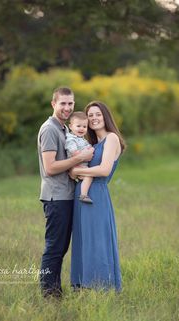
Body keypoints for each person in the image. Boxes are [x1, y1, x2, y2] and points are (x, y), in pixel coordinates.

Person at [37, 87, 94, 298]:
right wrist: (80, 159)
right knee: (54, 248)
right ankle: (49, 294)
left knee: (60, 248)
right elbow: (50, 167)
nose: (67, 107)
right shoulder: (50, 129)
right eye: (63, 103)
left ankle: (54, 291)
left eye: (71, 103)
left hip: (65, 196)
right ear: (53, 104)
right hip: (56, 197)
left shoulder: (63, 129)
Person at [70, 101, 126, 291]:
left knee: (97, 240)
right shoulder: (91, 144)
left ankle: (102, 286)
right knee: (84, 239)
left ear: (105, 116)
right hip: (81, 195)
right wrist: (75, 170)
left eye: (97, 114)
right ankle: (82, 285)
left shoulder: (111, 139)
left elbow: (103, 170)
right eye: (90, 115)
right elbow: (72, 172)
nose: (94, 118)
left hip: (97, 195)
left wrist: (77, 171)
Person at [65, 111, 93, 204]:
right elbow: (75, 153)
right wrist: (86, 155)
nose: (81, 129)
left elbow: (88, 147)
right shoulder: (70, 139)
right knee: (89, 176)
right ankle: (83, 195)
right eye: (78, 126)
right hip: (76, 165)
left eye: (84, 126)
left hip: (80, 165)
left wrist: (90, 150)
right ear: (70, 126)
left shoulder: (81, 139)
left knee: (88, 175)